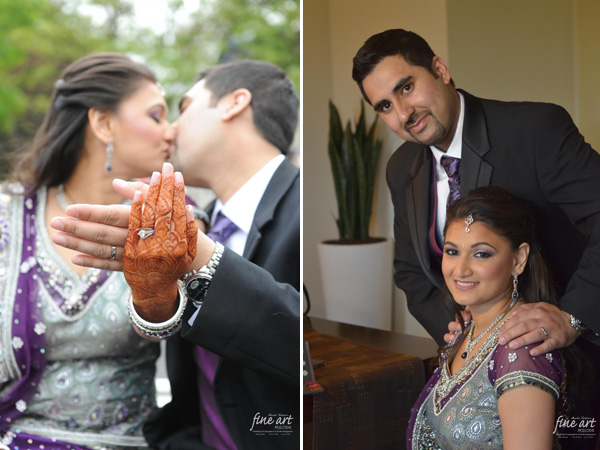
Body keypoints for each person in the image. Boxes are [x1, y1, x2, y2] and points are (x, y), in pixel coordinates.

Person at [50, 59, 301, 450]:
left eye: (182, 107)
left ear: (234, 103)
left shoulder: (304, 205)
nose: (170, 130)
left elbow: (310, 353)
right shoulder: (193, 220)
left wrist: (202, 259)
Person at [351, 28, 600, 355]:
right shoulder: (401, 167)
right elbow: (411, 271)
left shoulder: (535, 130)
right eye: (384, 106)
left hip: (575, 356)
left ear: (440, 70)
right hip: (478, 363)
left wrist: (572, 317)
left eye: (407, 87)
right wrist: (458, 331)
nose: (403, 114)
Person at [0, 53, 175, 449]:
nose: (171, 132)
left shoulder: (175, 227)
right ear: (102, 123)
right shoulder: (9, 216)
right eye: (156, 115)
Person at [408, 186, 570, 450]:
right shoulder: (466, 330)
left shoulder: (520, 347)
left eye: (481, 253)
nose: (460, 269)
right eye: (452, 251)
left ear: (519, 259)